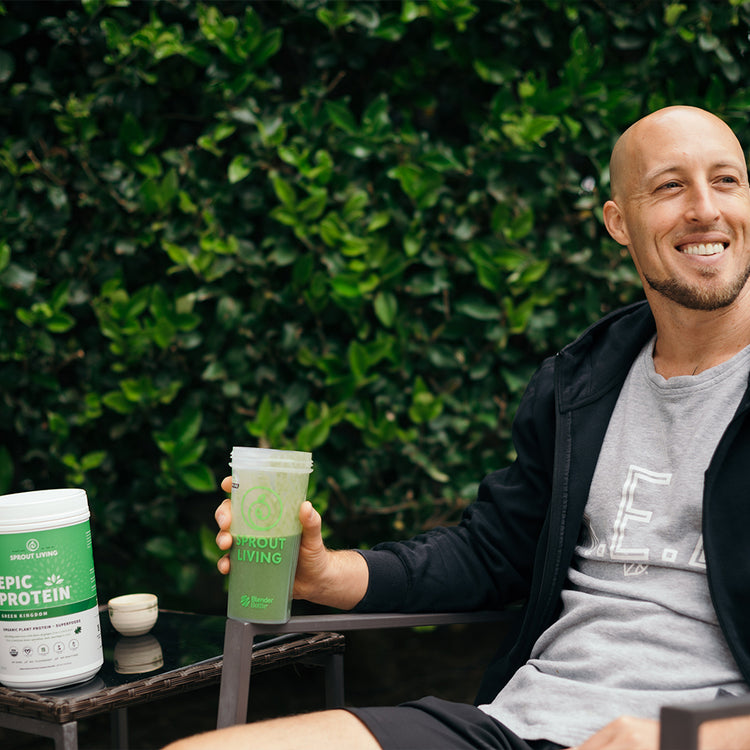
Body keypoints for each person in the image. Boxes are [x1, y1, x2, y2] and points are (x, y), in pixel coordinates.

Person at [165, 106, 750, 750]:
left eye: (727, 181)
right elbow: (491, 553)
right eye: (670, 186)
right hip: (514, 728)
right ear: (618, 223)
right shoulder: (584, 382)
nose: (705, 208)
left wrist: (689, 737)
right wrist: (326, 574)